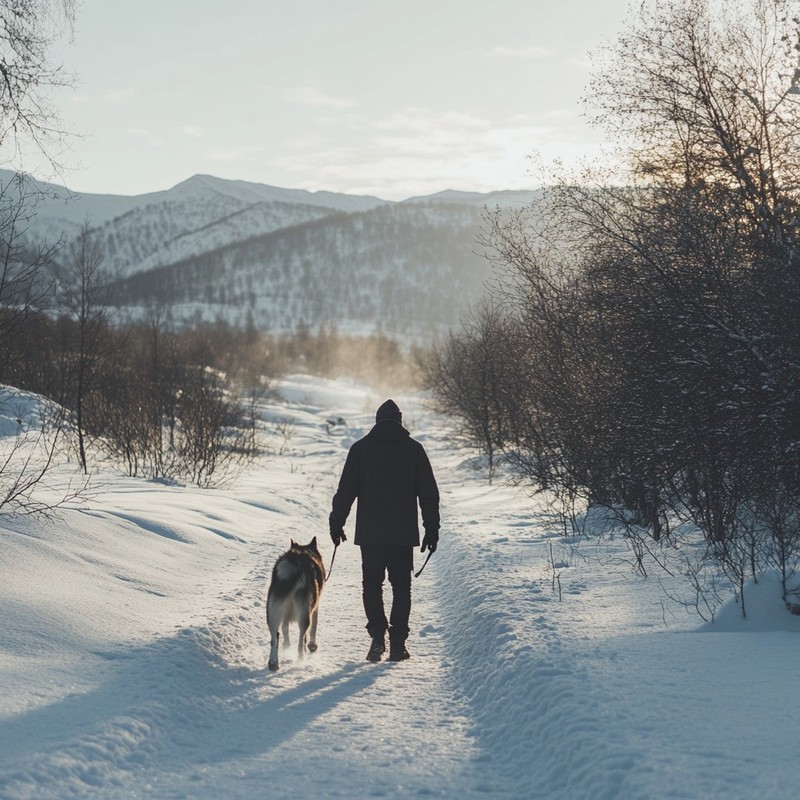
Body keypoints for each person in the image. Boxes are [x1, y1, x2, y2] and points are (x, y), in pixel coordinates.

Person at [329, 398, 440, 662]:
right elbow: (429, 495)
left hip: (371, 534)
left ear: (377, 422)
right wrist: (431, 529)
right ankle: (398, 644)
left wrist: (337, 522)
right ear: (400, 422)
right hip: (403, 535)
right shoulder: (414, 450)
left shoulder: (360, 449)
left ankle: (378, 638)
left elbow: (345, 492)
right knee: (402, 588)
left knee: (372, 585)